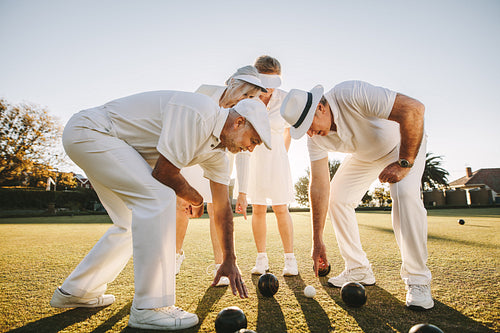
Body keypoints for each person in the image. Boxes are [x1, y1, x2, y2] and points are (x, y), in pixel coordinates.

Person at [49, 91, 271, 331]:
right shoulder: (200, 112)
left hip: (102, 141)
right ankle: (150, 308)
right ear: (239, 122)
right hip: (92, 132)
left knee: (129, 221)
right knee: (158, 197)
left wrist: (229, 258)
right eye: (254, 140)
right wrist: (195, 198)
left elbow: (222, 209)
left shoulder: (218, 153)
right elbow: (163, 173)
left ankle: (77, 290)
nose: (250, 149)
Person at [280, 80, 434, 310]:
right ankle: (358, 268)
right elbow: (320, 186)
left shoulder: (350, 93)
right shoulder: (316, 138)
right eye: (303, 131)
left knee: (404, 195)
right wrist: (317, 240)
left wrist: (404, 162)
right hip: (365, 155)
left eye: (309, 125)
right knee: (338, 198)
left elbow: (414, 109)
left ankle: (418, 280)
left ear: (321, 108)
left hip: (402, 145)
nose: (310, 134)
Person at [175, 65, 267, 286]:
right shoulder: (203, 92)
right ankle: (173, 257)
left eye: (252, 97)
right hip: (191, 155)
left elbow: (245, 153)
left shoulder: (246, 114)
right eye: (245, 94)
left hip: (220, 159)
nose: (246, 100)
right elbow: (181, 130)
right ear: (232, 84)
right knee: (180, 206)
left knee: (217, 207)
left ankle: (221, 265)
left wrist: (242, 191)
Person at [236, 56, 298, 276]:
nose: (270, 89)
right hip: (254, 157)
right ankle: (261, 258)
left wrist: (282, 154)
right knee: (259, 208)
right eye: (266, 82)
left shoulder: (285, 99)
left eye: (275, 83)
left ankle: (290, 259)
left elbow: (288, 131)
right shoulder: (248, 98)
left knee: (282, 207)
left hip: (277, 159)